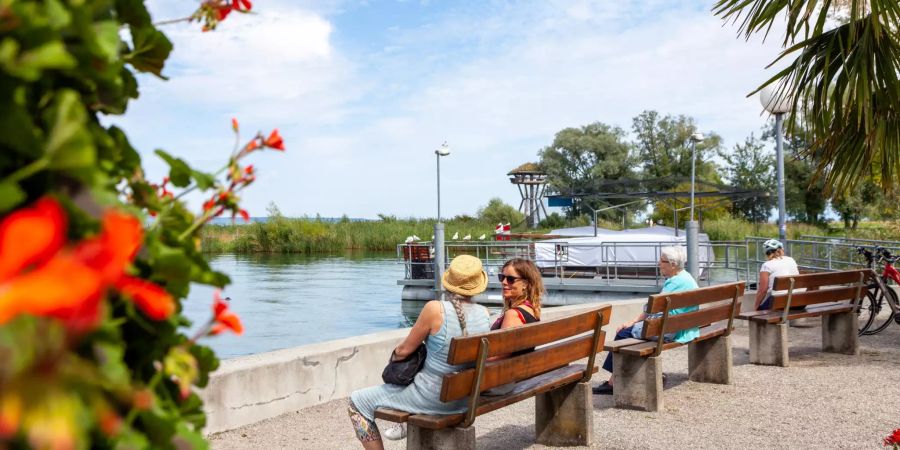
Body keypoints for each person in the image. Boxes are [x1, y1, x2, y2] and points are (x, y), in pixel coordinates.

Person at [347, 255, 491, 449]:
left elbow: (404, 350)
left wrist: (395, 357)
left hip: (432, 398)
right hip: (465, 399)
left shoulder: (435, 309)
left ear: (449, 282)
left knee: (356, 402)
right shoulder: (484, 313)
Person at [593, 246, 699, 395]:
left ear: (673, 264)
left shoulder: (674, 283)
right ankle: (619, 378)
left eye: (662, 261)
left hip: (669, 331)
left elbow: (653, 307)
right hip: (685, 327)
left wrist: (632, 322)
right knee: (632, 333)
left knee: (623, 333)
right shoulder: (687, 277)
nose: (658, 264)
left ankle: (612, 383)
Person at [754, 239, 800, 310]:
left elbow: (763, 290)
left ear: (767, 253)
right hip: (799, 301)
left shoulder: (766, 265)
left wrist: (755, 307)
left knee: (758, 312)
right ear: (781, 250)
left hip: (780, 303)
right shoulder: (791, 260)